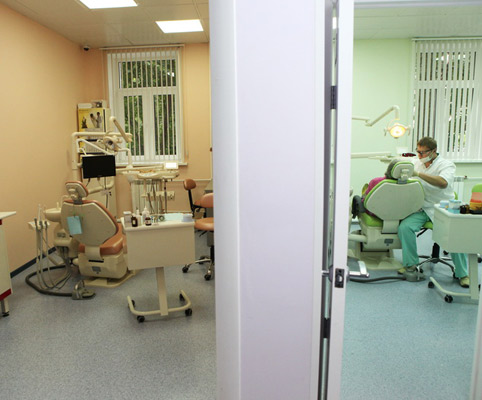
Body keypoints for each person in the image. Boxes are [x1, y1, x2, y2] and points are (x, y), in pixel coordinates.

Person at [397, 137, 469, 288]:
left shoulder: (446, 165)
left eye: (423, 152)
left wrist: (418, 174)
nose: (419, 155)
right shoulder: (416, 162)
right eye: (418, 152)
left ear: (433, 151)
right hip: (422, 207)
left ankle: (462, 273)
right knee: (405, 227)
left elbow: (442, 183)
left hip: (443, 208)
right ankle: (411, 264)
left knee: (453, 235)